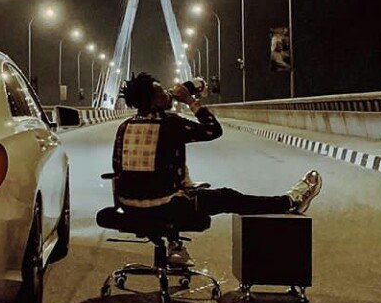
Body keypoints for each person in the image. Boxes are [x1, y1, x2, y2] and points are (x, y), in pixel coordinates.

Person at [112, 73, 322, 264]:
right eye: (161, 91)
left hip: (128, 206)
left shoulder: (125, 126)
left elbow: (119, 168)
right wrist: (190, 101)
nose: (167, 93)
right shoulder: (170, 123)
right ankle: (290, 201)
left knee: (174, 190)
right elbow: (213, 130)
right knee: (229, 197)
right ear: (152, 100)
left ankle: (176, 246)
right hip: (167, 206)